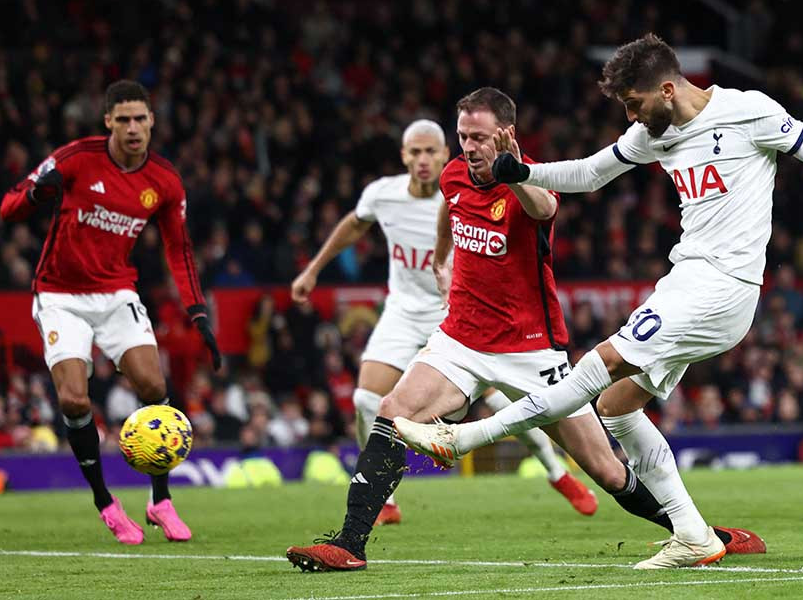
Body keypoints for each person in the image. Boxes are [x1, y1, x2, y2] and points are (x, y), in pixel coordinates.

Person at [395, 34, 803, 569]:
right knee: (617, 406)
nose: (630, 117)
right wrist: (523, 171)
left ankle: (463, 437)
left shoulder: (750, 112)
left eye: (634, 104)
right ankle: (694, 535)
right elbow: (590, 174)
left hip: (723, 285)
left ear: (668, 89)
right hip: (686, 281)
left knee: (599, 365)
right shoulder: (652, 133)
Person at [285, 88, 760, 573]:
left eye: (479, 137)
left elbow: (544, 209)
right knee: (391, 411)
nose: (469, 147)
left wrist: (514, 173)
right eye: (463, 136)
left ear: (505, 134)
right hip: (460, 339)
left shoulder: (530, 179)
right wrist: (442, 259)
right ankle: (350, 543)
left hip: (531, 351)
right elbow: (451, 204)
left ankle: (702, 533)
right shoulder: (453, 174)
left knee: (606, 470)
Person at [289, 119, 597, 527]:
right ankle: (386, 497)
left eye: (430, 152)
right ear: (403, 156)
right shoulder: (382, 194)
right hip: (402, 312)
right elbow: (354, 224)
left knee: (501, 401)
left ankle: (557, 473)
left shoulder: (463, 188)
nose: (422, 160)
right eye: (414, 152)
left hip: (456, 312)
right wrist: (313, 270)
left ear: (443, 154)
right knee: (365, 400)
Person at [0, 80, 221, 545]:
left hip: (117, 292)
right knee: (74, 401)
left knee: (154, 386)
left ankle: (160, 501)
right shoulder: (75, 158)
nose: (133, 128)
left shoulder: (164, 180)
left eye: (140, 118)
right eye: (123, 120)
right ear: (108, 122)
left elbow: (178, 249)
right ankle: (106, 502)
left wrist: (197, 312)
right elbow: (8, 207)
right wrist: (38, 195)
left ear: (152, 121)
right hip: (60, 295)